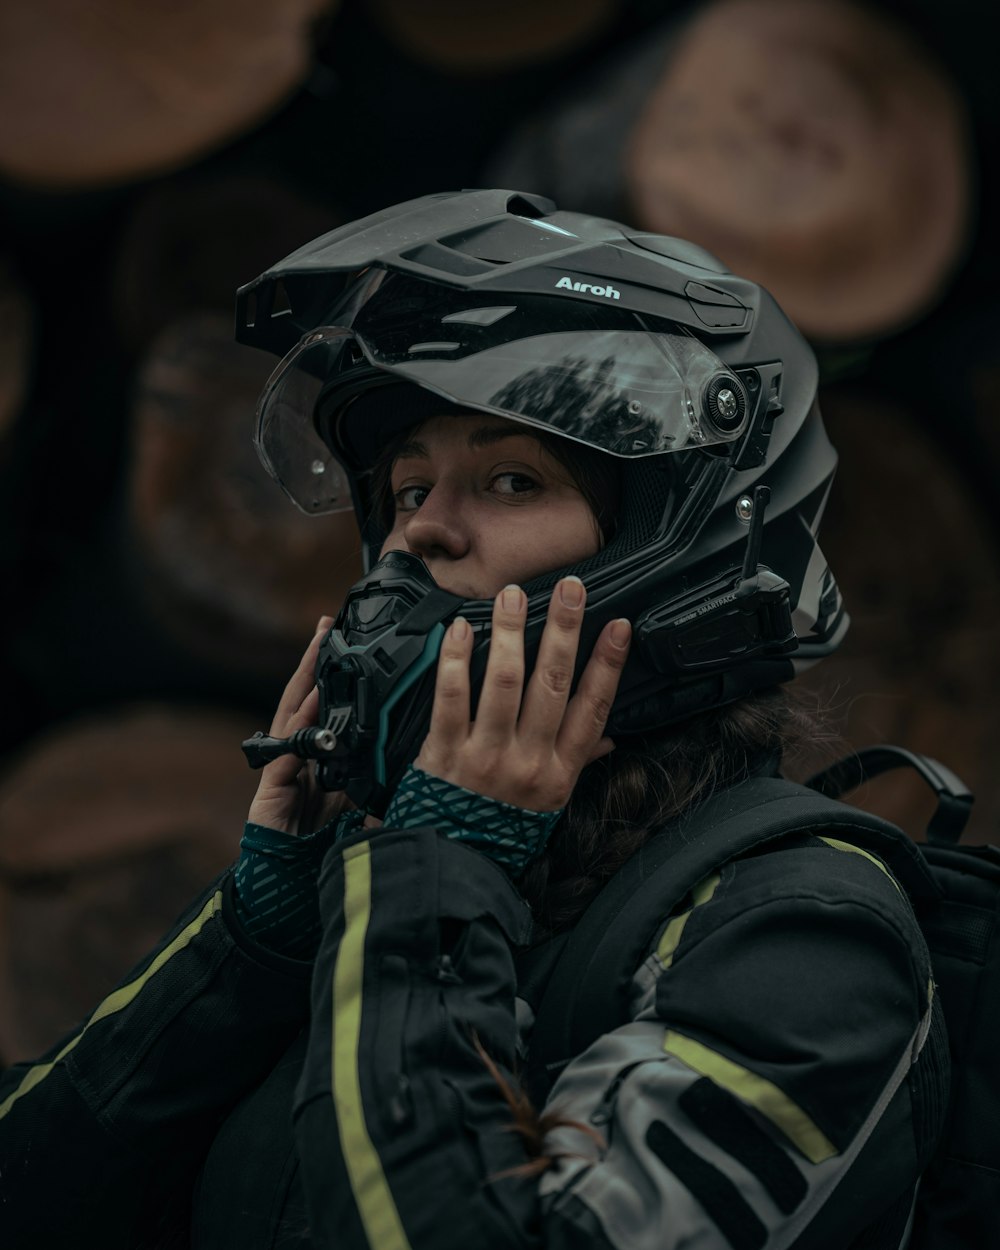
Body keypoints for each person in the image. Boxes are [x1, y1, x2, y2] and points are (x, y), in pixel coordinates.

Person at [0, 190, 946, 1249]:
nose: (421, 536)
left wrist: (438, 869)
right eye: (406, 489)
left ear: (679, 544)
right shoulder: (383, 894)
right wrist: (253, 943)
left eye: (509, 477)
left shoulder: (807, 930)